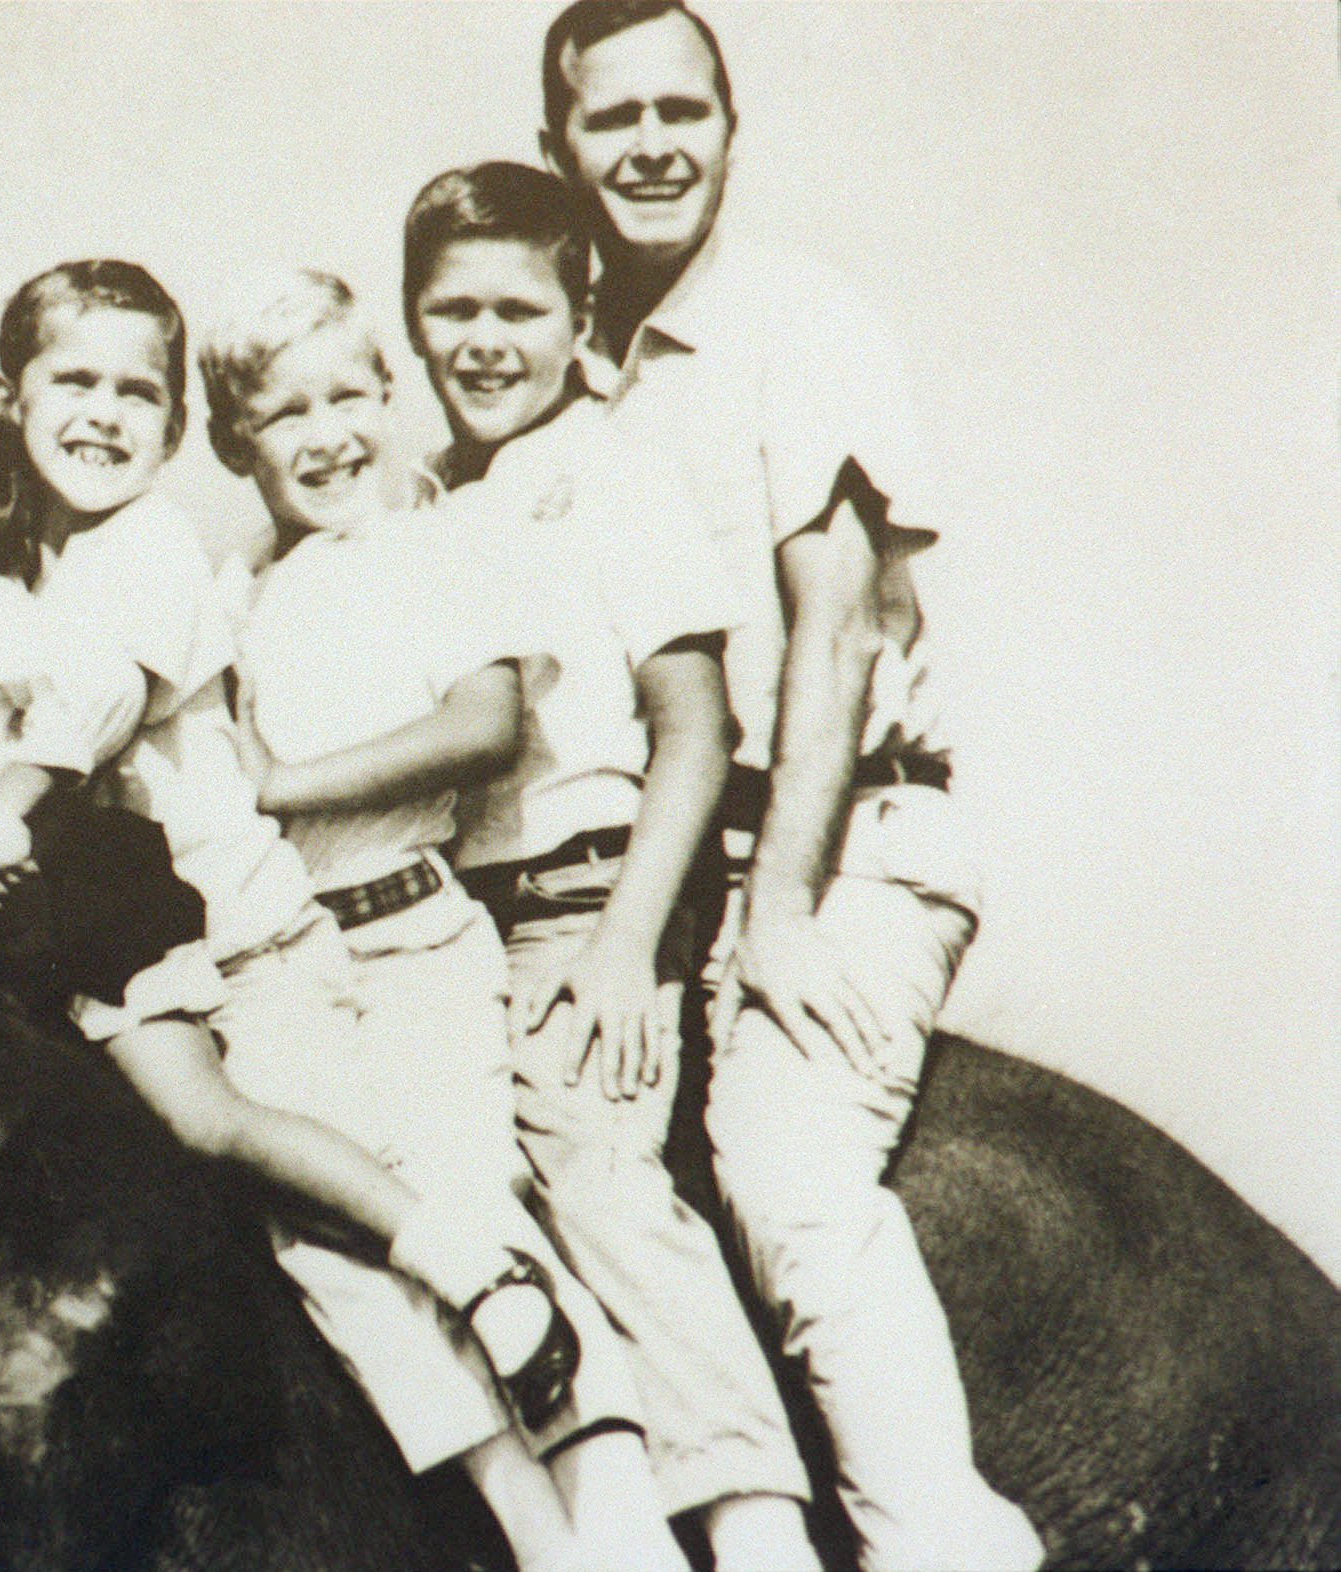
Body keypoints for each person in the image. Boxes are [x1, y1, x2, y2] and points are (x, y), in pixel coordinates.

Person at [538, 3, 1044, 1567]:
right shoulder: (580, 367)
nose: (653, 146)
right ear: (560, 145)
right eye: (612, 120)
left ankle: (946, 1551)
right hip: (704, 853)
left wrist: (779, 913)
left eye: (683, 111)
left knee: (785, 1171)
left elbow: (828, 642)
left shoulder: (797, 321)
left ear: (731, 129)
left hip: (850, 839)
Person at [0, 369, 526, 1321]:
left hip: (59, 908)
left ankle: (453, 1255)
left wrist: (9, 803)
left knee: (201, 1123)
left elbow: (97, 694)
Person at [198, 265, 687, 1572]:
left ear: (392, 398)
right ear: (233, 442)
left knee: (474, 1204)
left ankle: (626, 1535)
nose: (330, 432)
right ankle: (546, 1544)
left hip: (416, 936)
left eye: (353, 393)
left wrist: (278, 788)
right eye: (286, 412)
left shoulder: (447, 542)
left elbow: (484, 727)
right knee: (339, 1252)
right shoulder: (240, 588)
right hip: (293, 970)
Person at [405, 160, 825, 1570]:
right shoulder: (440, 497)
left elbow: (696, 729)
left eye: (518, 309)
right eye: (452, 308)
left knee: (598, 1177)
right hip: (471, 916)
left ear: (580, 311)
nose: (482, 341)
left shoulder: (610, 469)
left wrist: (627, 945)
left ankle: (756, 1526)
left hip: (593, 890)